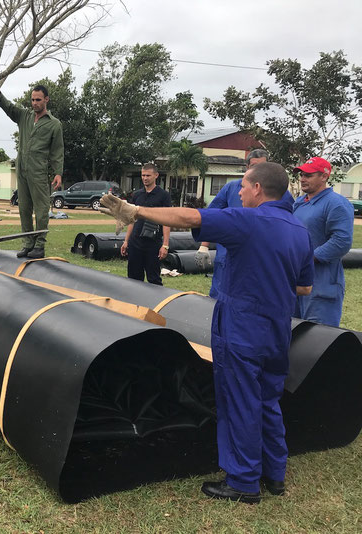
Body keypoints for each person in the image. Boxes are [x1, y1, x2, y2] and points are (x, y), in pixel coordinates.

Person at [100, 162, 314, 504]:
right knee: (267, 399)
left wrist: (135, 209)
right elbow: (303, 287)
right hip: (277, 327)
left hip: (243, 324)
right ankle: (275, 474)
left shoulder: (248, 220)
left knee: (239, 400)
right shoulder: (298, 230)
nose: (239, 192)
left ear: (258, 189)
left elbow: (190, 218)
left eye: (243, 186)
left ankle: (243, 482)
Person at [196, 149, 295, 298]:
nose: (258, 170)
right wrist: (204, 246)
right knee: (221, 297)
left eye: (262, 166)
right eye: (254, 166)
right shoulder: (231, 188)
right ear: (247, 167)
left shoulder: (280, 193)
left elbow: (288, 222)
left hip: (262, 255)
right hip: (228, 255)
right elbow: (212, 216)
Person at [0, 76, 64, 259]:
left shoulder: (54, 124)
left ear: (46, 100)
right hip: (21, 170)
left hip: (39, 171)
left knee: (42, 209)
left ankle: (40, 245)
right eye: (32, 99)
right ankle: (27, 243)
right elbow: (9, 107)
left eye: (38, 99)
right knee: (24, 208)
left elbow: (58, 150)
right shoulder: (25, 117)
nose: (34, 103)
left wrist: (58, 172)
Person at [292, 156, 353, 327]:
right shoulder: (299, 203)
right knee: (292, 334)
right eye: (302, 174)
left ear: (324, 176)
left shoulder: (336, 204)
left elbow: (341, 241)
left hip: (322, 285)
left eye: (309, 175)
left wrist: (307, 258)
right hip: (296, 281)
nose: (303, 179)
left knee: (316, 338)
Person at [120, 164, 171, 285]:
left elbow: (167, 221)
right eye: (143, 175)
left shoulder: (163, 195)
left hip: (152, 243)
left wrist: (165, 245)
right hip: (135, 242)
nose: (145, 178)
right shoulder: (137, 195)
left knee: (153, 279)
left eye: (148, 175)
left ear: (156, 175)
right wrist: (126, 241)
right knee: (133, 279)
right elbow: (132, 220)